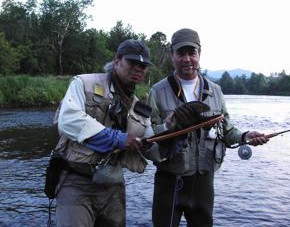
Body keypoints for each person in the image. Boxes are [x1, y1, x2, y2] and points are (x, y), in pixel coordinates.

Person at [146, 28, 269, 227]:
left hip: (204, 183)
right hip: (169, 180)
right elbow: (147, 137)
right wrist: (168, 126)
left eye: (191, 53)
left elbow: (228, 132)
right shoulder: (157, 91)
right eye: (181, 53)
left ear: (199, 54)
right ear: (172, 56)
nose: (187, 59)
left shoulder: (215, 91)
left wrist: (246, 136)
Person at [51, 39, 154, 227]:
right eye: (132, 62)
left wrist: (175, 132)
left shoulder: (139, 108)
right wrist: (117, 138)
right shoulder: (83, 83)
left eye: (143, 65)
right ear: (116, 61)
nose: (138, 68)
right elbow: (68, 120)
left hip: (113, 190)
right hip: (76, 183)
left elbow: (152, 146)